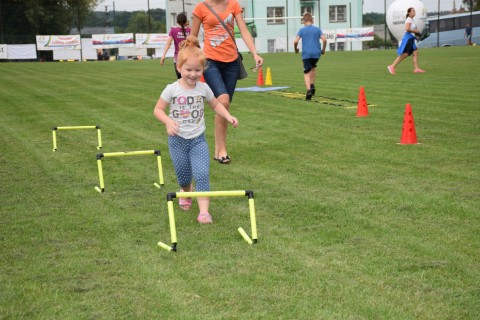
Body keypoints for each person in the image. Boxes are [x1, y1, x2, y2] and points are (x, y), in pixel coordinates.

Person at [153, 35, 238, 224]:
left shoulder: (204, 88)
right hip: (177, 140)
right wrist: (168, 121)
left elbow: (216, 105)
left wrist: (228, 116)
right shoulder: (172, 89)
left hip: (198, 139)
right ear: (179, 68)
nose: (193, 74)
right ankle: (186, 191)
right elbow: (158, 109)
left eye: (198, 70)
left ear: (203, 70)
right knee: (183, 176)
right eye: (188, 69)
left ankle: (204, 212)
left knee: (202, 174)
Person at [191, 0, 263, 164]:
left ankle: (218, 149)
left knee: (225, 104)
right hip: (210, 61)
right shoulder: (201, 8)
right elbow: (193, 38)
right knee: (222, 100)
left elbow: (243, 30)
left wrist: (254, 53)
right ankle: (221, 149)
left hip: (232, 62)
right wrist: (188, 61)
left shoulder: (233, 5)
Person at [293, 12, 326, 101]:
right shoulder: (317, 29)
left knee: (306, 72)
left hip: (306, 54)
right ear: (312, 20)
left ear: (304, 21)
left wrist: (296, 49)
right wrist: (323, 49)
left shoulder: (302, 30)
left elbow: (295, 41)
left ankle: (308, 90)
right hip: (316, 54)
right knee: (313, 67)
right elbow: (324, 39)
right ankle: (312, 85)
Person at [388, 7, 425, 75]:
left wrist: (417, 33)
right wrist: (415, 31)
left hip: (412, 39)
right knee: (405, 54)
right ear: (409, 13)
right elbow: (407, 29)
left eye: (415, 11)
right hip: (408, 39)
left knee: (415, 53)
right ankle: (392, 66)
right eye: (413, 11)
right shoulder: (408, 20)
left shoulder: (411, 20)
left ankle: (416, 69)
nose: (414, 12)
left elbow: (411, 30)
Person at [160, 13, 191, 79]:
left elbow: (168, 43)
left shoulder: (173, 30)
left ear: (177, 21)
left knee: (180, 80)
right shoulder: (190, 30)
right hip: (189, 58)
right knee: (188, 80)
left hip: (178, 59)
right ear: (186, 21)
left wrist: (163, 55)